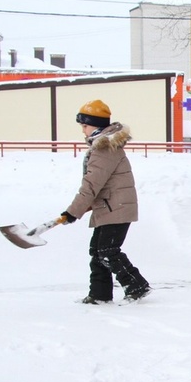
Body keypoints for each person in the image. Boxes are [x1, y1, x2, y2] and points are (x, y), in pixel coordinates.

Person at [59, 99, 150, 304]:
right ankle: (99, 295)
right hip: (109, 206)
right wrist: (80, 208)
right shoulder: (104, 145)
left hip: (115, 208)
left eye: (85, 125)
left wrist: (73, 211)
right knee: (98, 252)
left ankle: (136, 285)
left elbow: (91, 185)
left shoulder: (104, 147)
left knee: (107, 251)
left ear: (96, 125)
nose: (83, 130)